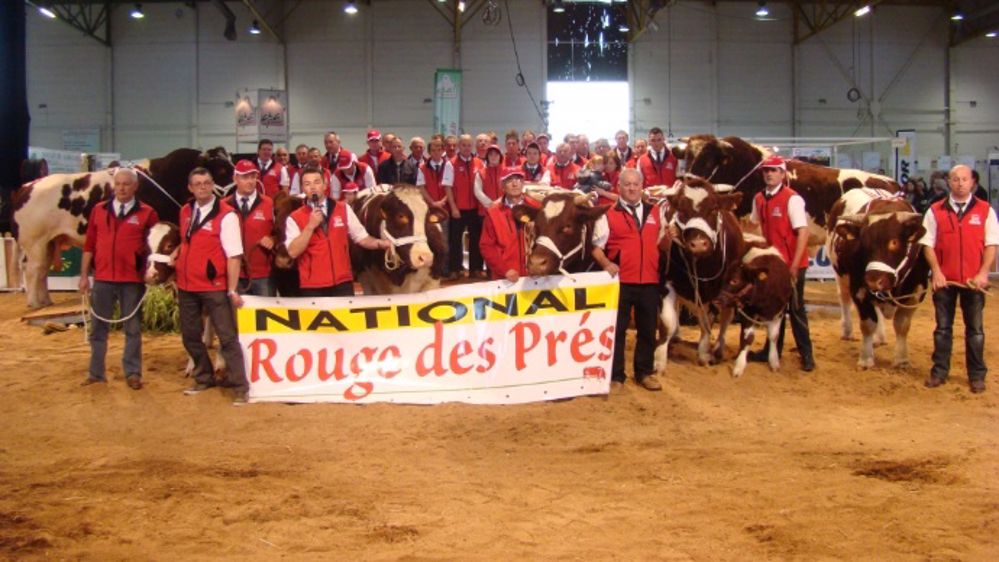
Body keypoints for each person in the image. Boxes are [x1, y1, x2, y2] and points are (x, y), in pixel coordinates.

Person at [79, 168, 159, 390]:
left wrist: (149, 272)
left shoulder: (148, 213)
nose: (121, 188)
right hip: (103, 278)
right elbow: (89, 246)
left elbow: (153, 247)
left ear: (135, 186)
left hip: (132, 280)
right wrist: (84, 276)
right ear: (113, 186)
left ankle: (133, 373)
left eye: (126, 184)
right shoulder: (98, 210)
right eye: (118, 184)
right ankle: (96, 373)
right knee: (98, 329)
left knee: (132, 329)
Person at [921, 164, 998, 394]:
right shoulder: (935, 210)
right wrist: (936, 271)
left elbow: (991, 245)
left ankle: (976, 376)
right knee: (943, 328)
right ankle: (939, 372)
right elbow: (927, 244)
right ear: (949, 182)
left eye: (965, 179)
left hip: (974, 282)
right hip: (944, 282)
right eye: (955, 179)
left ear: (973, 182)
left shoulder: (985, 210)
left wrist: (984, 272)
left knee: (975, 330)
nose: (960, 183)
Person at [176, 168, 249, 404]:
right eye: (197, 183)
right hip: (187, 286)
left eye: (207, 183)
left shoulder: (226, 215)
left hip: (214, 286)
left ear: (213, 185)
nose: (202, 187)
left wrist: (231, 289)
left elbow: (234, 254)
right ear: (190, 187)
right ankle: (204, 376)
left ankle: (240, 386)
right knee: (190, 336)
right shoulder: (185, 211)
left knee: (227, 338)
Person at [591, 167, 664, 392]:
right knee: (618, 330)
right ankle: (616, 376)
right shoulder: (608, 213)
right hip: (621, 281)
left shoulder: (655, 212)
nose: (632, 188)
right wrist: (606, 264)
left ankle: (644, 373)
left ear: (642, 187)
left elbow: (662, 245)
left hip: (650, 280)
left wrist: (669, 240)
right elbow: (596, 248)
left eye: (636, 184)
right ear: (619, 187)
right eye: (627, 184)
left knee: (648, 329)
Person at [747, 155, 816, 372]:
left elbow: (803, 233)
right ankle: (771, 349)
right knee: (773, 307)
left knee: (796, 309)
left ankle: (807, 354)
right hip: (774, 264)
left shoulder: (792, 199)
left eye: (774, 170)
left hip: (792, 262)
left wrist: (795, 265)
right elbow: (754, 226)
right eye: (766, 170)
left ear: (783, 174)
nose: (769, 173)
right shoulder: (758, 198)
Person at [285, 167, 391, 297]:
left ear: (325, 185)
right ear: (302, 188)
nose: (312, 187)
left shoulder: (343, 208)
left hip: (342, 283)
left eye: (317, 182)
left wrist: (381, 244)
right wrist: (310, 227)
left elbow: (362, 238)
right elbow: (292, 252)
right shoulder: (294, 217)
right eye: (307, 184)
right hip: (313, 286)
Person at [480, 169, 540, 282]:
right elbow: (486, 246)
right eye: (509, 180)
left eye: (518, 179)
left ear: (523, 183)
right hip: (505, 278)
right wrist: (505, 270)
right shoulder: (493, 213)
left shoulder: (536, 208)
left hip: (535, 276)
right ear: (502, 185)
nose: (515, 183)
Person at [227, 160, 275, 296]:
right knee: (237, 316)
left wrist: (273, 239)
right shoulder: (224, 206)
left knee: (265, 314)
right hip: (234, 274)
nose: (250, 181)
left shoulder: (269, 203)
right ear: (235, 178)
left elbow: (279, 232)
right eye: (245, 177)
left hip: (263, 274)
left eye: (253, 177)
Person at [447, 134, 484, 279]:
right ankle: (455, 269)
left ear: (472, 146)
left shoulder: (479, 163)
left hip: (475, 208)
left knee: (476, 239)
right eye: (463, 145)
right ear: (458, 146)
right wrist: (453, 207)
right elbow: (448, 187)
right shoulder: (451, 163)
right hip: (458, 209)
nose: (466, 148)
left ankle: (476, 268)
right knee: (455, 240)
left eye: (469, 145)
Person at [474, 144, 504, 210]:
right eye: (491, 154)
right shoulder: (480, 173)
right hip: (485, 211)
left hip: (503, 208)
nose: (493, 157)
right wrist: (490, 204)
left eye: (496, 154)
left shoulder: (506, 172)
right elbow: (477, 191)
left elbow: (509, 190)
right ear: (487, 157)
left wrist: (500, 202)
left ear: (500, 156)